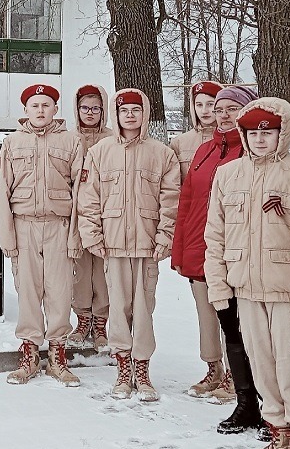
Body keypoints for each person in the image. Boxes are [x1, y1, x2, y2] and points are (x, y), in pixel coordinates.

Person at [206, 97, 290, 449]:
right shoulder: (228, 174)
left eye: (268, 133)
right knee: (261, 366)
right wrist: (218, 286)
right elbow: (215, 234)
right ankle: (277, 430)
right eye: (252, 133)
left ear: (281, 133)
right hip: (245, 289)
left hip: (287, 291)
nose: (259, 140)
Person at [76, 89, 181, 402]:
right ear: (117, 114)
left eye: (136, 110)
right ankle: (123, 369)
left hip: (147, 247)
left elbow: (171, 200)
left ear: (145, 114)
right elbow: (88, 198)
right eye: (124, 111)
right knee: (119, 310)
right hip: (114, 245)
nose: (130, 116)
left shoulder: (161, 153)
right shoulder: (100, 152)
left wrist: (165, 237)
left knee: (144, 310)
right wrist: (93, 235)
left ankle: (143, 369)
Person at [170, 83, 258, 404]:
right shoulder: (204, 150)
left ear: (246, 112)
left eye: (230, 109)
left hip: (233, 250)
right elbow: (187, 202)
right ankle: (213, 368)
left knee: (233, 314)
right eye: (218, 110)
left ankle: (238, 374)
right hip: (198, 245)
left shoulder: (250, 152)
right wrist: (180, 250)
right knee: (205, 311)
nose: (222, 116)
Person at [0, 84, 85, 387]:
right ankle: (30, 355)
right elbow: (1, 192)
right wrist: (7, 237)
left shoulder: (72, 142)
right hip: (24, 226)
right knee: (29, 291)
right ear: (25, 110)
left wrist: (76, 236)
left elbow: (80, 192)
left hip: (59, 225)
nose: (41, 110)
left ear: (56, 110)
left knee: (60, 291)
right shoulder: (12, 143)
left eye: (46, 105)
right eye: (35, 105)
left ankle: (58, 356)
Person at [68, 84, 113, 350]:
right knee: (80, 271)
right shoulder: (69, 137)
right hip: (75, 213)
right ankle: (82, 319)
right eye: (85, 107)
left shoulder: (111, 138)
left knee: (103, 273)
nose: (90, 112)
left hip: (105, 212)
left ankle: (101, 323)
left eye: (96, 108)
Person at [170, 80, 221, 175]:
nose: (204, 111)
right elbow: (173, 183)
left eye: (210, 104)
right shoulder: (179, 143)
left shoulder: (233, 139)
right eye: (199, 105)